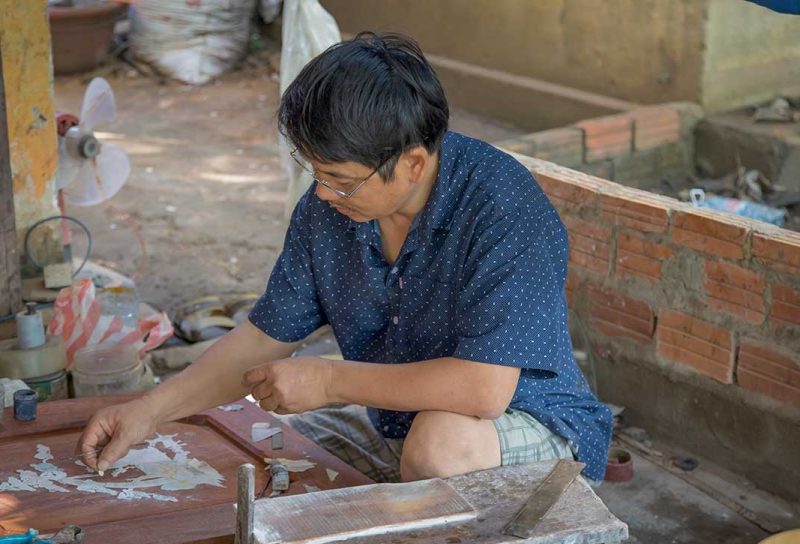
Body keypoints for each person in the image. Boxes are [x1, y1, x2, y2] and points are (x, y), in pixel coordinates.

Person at [77, 32, 612, 484]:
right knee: (256, 448)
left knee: (437, 446)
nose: (326, 194)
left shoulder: (503, 207)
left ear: (413, 163)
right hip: (397, 425)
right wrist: (148, 410)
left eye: (343, 181)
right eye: (318, 174)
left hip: (535, 423)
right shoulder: (327, 209)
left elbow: (483, 390)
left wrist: (330, 382)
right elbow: (265, 338)